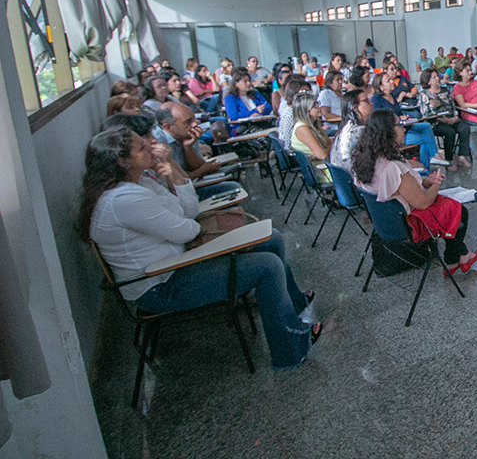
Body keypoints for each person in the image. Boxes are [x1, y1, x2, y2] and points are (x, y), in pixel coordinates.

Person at [81, 125, 319, 370]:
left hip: (175, 263)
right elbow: (189, 228)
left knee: (271, 238)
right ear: (122, 161)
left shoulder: (139, 182)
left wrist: (175, 173)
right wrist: (183, 218)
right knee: (267, 266)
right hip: (161, 286)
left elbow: (189, 213)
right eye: (142, 147)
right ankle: (289, 351)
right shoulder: (124, 199)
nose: (151, 146)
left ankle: (293, 308)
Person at [351, 110, 477, 274]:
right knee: (458, 210)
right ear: (388, 132)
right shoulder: (392, 167)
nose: (404, 128)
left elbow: (403, 187)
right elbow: (423, 202)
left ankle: (461, 256)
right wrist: (436, 184)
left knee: (450, 207)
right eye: (400, 125)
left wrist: (426, 182)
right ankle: (452, 259)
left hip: (383, 222)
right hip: (406, 224)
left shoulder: (366, 158)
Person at [153, 103, 238, 199]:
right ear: (168, 127)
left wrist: (188, 148)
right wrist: (204, 169)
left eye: (194, 119)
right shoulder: (159, 143)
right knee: (233, 188)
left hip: (193, 186)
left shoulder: (187, 134)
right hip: (179, 197)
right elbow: (177, 181)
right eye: (188, 122)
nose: (195, 124)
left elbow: (198, 166)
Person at [369, 74, 447, 166]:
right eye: (388, 81)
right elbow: (380, 119)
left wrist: (402, 116)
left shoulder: (392, 96)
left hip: (403, 125)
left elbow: (397, 112)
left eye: (391, 79)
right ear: (381, 87)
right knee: (423, 140)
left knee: (426, 126)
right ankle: (425, 168)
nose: (392, 82)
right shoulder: (376, 99)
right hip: (392, 133)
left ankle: (434, 155)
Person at [419, 68, 473, 167]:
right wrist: (443, 120)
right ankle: (449, 159)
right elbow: (426, 114)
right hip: (436, 122)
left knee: (464, 128)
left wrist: (455, 117)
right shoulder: (424, 94)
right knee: (450, 132)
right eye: (434, 77)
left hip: (451, 119)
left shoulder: (445, 90)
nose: (437, 79)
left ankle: (462, 156)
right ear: (428, 81)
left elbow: (453, 106)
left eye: (437, 76)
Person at [290, 91, 332, 183]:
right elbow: (322, 155)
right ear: (305, 109)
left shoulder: (313, 124)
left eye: (317, 103)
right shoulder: (302, 128)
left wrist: (328, 148)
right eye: (314, 105)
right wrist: (329, 149)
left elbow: (329, 145)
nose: (319, 106)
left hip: (325, 165)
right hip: (322, 172)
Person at [329, 89, 372, 171]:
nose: (371, 103)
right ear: (354, 108)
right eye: (366, 101)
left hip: (342, 180)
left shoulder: (345, 127)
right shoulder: (358, 131)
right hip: (354, 178)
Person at [278, 76, 311, 146]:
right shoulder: (290, 114)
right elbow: (287, 143)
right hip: (294, 153)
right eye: (304, 92)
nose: (308, 95)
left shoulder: (298, 110)